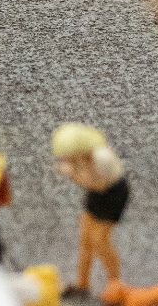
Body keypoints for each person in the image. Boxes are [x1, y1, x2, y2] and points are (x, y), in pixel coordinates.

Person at [50, 123, 131, 297]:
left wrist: (73, 174)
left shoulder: (102, 158)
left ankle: (116, 284)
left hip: (112, 195)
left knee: (100, 241)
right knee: (86, 238)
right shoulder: (79, 157)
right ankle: (82, 284)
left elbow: (98, 185)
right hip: (96, 196)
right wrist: (74, 169)